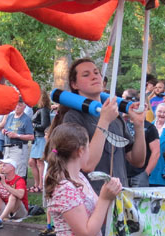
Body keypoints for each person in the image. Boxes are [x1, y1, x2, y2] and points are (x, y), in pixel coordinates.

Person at [57, 58, 146, 192]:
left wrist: (139, 125)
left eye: (96, 73)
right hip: (93, 199)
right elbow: (87, 165)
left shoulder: (116, 115)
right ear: (74, 84)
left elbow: (137, 160)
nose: (94, 77)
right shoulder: (73, 117)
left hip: (120, 197)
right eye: (86, 75)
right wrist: (104, 120)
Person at [122, 88, 159, 187]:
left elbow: (156, 152)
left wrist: (146, 173)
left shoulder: (149, 127)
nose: (120, 101)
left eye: (123, 98)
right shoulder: (119, 124)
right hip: (121, 174)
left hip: (138, 175)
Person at [1, 98, 34, 178]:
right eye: (16, 104)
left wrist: (17, 135)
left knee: (18, 171)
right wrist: (4, 131)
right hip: (8, 146)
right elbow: (6, 128)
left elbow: (31, 137)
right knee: (6, 169)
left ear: (24, 107)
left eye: (20, 105)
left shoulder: (26, 119)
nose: (17, 107)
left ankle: (19, 188)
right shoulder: (10, 116)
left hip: (19, 148)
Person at [148, 102, 165, 187]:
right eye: (159, 111)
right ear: (155, 112)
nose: (162, 114)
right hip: (149, 171)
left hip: (163, 172)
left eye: (164, 112)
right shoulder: (149, 127)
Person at [28, 97, 52, 192]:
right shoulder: (41, 110)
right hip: (37, 138)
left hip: (41, 137)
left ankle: (41, 186)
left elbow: (44, 125)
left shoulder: (44, 110)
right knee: (31, 162)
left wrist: (34, 126)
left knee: (40, 161)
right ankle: (36, 184)